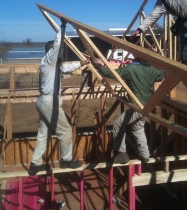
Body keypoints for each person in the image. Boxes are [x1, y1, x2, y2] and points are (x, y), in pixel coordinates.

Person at [28, 16, 90, 175]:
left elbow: (68, 67)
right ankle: (66, 160)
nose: (61, 53)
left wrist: (82, 63)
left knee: (44, 133)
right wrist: (62, 26)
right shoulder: (48, 61)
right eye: (58, 52)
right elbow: (57, 45)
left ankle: (35, 164)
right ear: (51, 53)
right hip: (49, 101)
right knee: (66, 130)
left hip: (44, 101)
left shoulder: (55, 66)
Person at [92, 57, 164, 164]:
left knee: (118, 124)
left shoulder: (131, 69)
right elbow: (161, 75)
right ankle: (145, 155)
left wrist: (97, 65)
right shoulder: (152, 70)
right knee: (137, 129)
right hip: (147, 106)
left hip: (137, 106)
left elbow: (111, 74)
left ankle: (122, 154)